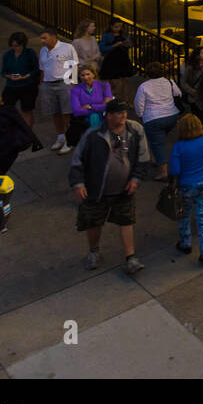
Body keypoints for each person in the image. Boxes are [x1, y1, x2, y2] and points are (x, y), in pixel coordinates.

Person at [68, 98, 147, 275]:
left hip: (124, 189)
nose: (124, 116)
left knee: (126, 220)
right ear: (109, 115)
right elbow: (77, 161)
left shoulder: (135, 130)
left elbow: (143, 157)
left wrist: (136, 179)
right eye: (119, 113)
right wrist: (78, 184)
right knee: (93, 222)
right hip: (96, 190)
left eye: (125, 112)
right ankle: (94, 251)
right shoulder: (93, 135)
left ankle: (130, 257)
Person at [168, 113, 203, 266]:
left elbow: (175, 171)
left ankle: (185, 244)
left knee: (184, 216)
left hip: (186, 186)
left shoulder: (178, 146)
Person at [134, 61, 183, 180]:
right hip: (172, 116)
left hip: (153, 118)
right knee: (157, 139)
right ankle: (156, 159)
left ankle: (163, 172)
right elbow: (179, 94)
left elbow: (139, 105)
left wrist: (141, 115)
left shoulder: (144, 86)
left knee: (158, 144)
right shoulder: (169, 82)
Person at [37, 27, 78, 153]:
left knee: (67, 113)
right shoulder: (43, 50)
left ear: (53, 37)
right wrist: (41, 84)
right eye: (41, 38)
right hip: (48, 84)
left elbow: (74, 65)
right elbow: (42, 68)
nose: (42, 41)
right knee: (55, 112)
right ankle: (61, 137)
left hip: (63, 83)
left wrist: (72, 83)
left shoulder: (67, 47)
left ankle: (70, 140)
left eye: (45, 38)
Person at [0, 31, 40, 128]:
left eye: (17, 46)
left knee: (27, 110)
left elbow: (36, 69)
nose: (15, 48)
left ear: (23, 44)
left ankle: (27, 134)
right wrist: (9, 76)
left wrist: (26, 76)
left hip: (27, 86)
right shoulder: (7, 55)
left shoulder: (30, 54)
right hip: (11, 85)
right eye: (13, 46)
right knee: (5, 108)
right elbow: (3, 71)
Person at [67, 65, 113, 148]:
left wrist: (91, 107)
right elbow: (76, 111)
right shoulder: (75, 90)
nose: (85, 77)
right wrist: (100, 106)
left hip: (104, 120)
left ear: (93, 74)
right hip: (84, 123)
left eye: (88, 74)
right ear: (79, 77)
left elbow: (108, 106)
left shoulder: (104, 86)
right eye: (82, 75)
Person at [98, 19, 134, 103]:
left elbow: (131, 44)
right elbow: (102, 48)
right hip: (112, 59)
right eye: (116, 27)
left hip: (123, 58)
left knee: (125, 80)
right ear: (111, 27)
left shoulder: (124, 35)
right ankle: (114, 98)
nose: (118, 29)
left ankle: (125, 99)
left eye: (120, 27)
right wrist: (114, 45)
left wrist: (127, 44)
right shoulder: (106, 35)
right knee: (114, 81)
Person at [179, 47, 203, 114]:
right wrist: (192, 92)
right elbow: (183, 82)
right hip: (194, 98)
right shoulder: (190, 68)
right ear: (197, 55)